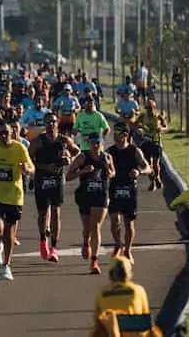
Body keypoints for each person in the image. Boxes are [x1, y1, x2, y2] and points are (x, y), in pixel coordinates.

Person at [0, 122, 34, 280]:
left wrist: (26, 169)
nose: (3, 136)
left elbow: (31, 167)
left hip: (14, 195)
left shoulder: (19, 148)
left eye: (6, 133)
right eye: (0, 133)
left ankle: (6, 265)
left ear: (12, 132)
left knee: (9, 233)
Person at [28, 113, 79, 262]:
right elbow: (29, 158)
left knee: (56, 212)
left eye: (53, 122)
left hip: (57, 179)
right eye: (47, 122)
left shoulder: (64, 140)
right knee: (43, 214)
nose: (50, 124)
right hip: (42, 178)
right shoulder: (38, 141)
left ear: (57, 123)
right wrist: (44, 166)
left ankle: (54, 248)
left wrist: (69, 158)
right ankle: (43, 241)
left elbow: (77, 151)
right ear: (44, 124)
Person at [67, 133, 115, 275]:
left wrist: (109, 171)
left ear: (102, 143)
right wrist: (83, 171)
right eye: (93, 143)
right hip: (85, 196)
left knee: (95, 227)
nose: (95, 146)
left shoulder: (107, 157)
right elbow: (68, 176)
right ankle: (85, 242)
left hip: (101, 195)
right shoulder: (82, 157)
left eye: (98, 143)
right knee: (87, 228)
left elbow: (113, 173)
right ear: (88, 144)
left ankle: (94, 261)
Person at [106, 126, 151, 264]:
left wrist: (139, 172)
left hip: (129, 189)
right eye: (114, 132)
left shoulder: (134, 151)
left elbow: (147, 167)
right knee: (114, 220)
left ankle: (127, 250)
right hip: (114, 188)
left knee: (128, 222)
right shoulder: (110, 151)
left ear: (125, 135)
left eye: (117, 133)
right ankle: (118, 244)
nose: (114, 135)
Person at [92, 256, 160, 337]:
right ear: (129, 273)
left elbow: (98, 322)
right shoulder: (138, 291)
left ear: (110, 274)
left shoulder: (101, 293)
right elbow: (145, 320)